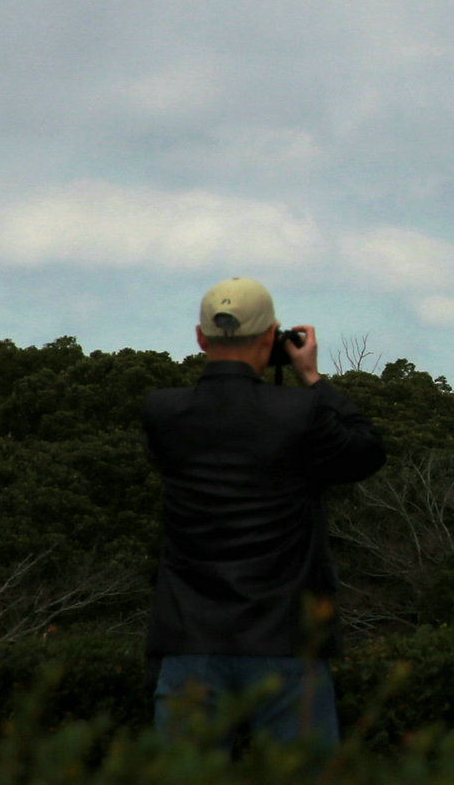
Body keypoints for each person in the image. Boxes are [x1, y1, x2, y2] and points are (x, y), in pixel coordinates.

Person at [143, 275, 386, 746]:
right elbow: (366, 452)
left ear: (199, 337)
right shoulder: (298, 413)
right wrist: (312, 378)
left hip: (189, 635)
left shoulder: (163, 412)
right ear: (273, 337)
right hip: (284, 637)